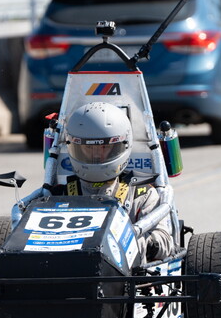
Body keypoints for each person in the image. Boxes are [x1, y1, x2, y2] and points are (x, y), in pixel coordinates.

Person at [58, 102, 175, 261]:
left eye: (104, 147)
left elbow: (165, 243)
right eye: (88, 148)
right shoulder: (59, 195)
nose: (96, 155)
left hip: (127, 280)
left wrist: (126, 244)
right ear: (74, 146)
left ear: (120, 146)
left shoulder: (142, 194)